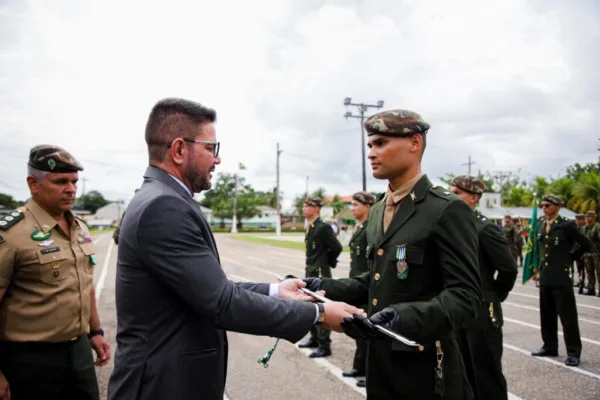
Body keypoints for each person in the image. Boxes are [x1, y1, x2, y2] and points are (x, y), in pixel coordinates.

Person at [107, 98, 362, 400]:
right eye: (211, 148)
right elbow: (222, 303)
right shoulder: (163, 206)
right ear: (178, 150)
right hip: (162, 385)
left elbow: (210, 289)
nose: (217, 160)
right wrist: (317, 313)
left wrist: (276, 291)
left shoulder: (162, 198)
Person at [303, 109, 483, 399]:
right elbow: (375, 280)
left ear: (414, 143)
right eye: (370, 145)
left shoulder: (445, 209)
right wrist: (323, 288)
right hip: (381, 361)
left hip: (424, 363)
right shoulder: (378, 210)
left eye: (382, 143)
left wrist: (404, 316)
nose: (372, 153)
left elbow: (466, 296)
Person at [0, 145, 111, 400]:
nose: (71, 189)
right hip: (30, 361)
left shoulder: (80, 228)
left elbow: (86, 284)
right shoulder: (11, 234)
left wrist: (95, 333)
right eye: (60, 181)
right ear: (33, 184)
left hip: (79, 351)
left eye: (74, 181)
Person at [451, 175, 518, 400]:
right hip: (457, 310)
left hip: (481, 311)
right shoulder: (453, 226)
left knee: (487, 375)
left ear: (474, 197)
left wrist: (493, 295)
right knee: (464, 373)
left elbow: (508, 268)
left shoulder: (485, 228)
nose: (452, 195)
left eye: (458, 192)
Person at [530, 194, 591, 367]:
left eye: (548, 205)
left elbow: (586, 244)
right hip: (546, 276)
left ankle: (573, 352)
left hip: (561, 277)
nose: (544, 208)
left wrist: (569, 258)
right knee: (546, 314)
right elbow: (540, 248)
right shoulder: (541, 223)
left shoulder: (566, 225)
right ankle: (549, 346)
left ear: (558, 206)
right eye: (543, 205)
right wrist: (537, 268)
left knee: (567, 316)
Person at [297, 197, 343, 358]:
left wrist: (327, 263)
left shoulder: (323, 227)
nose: (303, 209)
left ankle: (324, 345)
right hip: (310, 271)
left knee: (322, 308)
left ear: (316, 208)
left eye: (307, 206)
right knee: (310, 305)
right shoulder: (310, 226)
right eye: (303, 206)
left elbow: (336, 247)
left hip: (321, 274)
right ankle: (314, 338)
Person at [341, 191, 375, 387]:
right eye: (351, 205)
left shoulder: (371, 229)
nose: (352, 208)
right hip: (357, 284)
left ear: (368, 206)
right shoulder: (360, 227)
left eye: (356, 205)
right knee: (359, 328)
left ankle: (371, 373)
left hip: (367, 286)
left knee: (368, 330)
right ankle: (360, 366)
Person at [582, 210, 600, 296]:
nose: (587, 218)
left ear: (593, 218)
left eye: (589, 217)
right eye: (586, 216)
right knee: (589, 272)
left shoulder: (597, 227)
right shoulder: (584, 228)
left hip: (596, 253)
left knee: (598, 271)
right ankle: (591, 288)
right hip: (587, 253)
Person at [574, 214, 586, 292]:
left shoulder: (585, 228)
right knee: (579, 268)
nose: (577, 221)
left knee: (588, 269)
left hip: (586, 252)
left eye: (579, 220)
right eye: (577, 220)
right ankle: (581, 281)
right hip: (578, 251)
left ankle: (588, 283)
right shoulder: (576, 228)